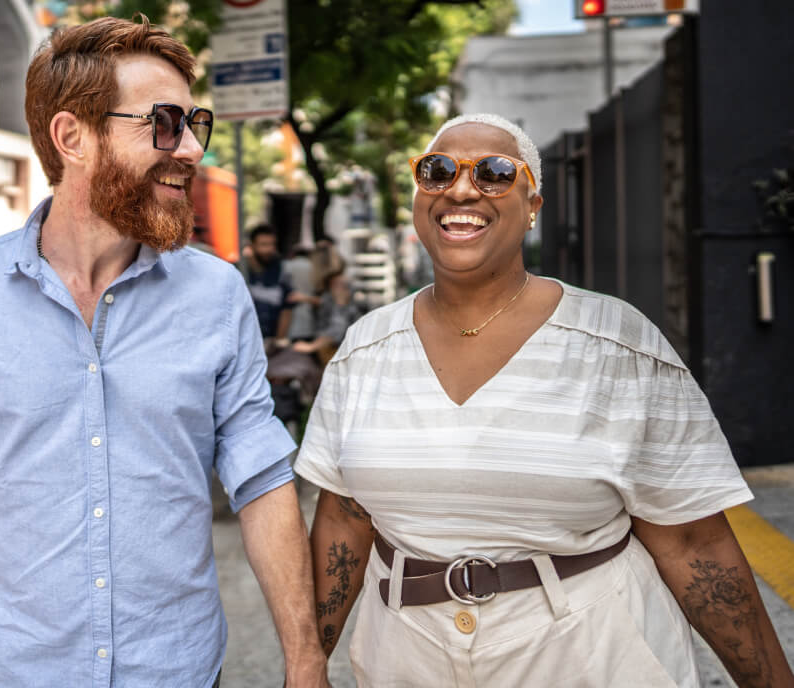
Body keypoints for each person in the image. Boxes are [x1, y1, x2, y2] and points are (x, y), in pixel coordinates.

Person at [0, 17, 329, 688]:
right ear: (72, 137)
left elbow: (260, 479)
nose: (192, 149)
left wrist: (306, 659)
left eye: (193, 124)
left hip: (177, 670)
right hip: (8, 670)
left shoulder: (216, 293)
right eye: (165, 124)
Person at [294, 113, 794, 687]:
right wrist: (306, 665)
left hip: (592, 657)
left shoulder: (618, 345)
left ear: (533, 204)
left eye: (494, 173)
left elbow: (693, 540)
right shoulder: (365, 349)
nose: (460, 189)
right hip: (405, 661)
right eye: (436, 172)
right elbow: (345, 519)